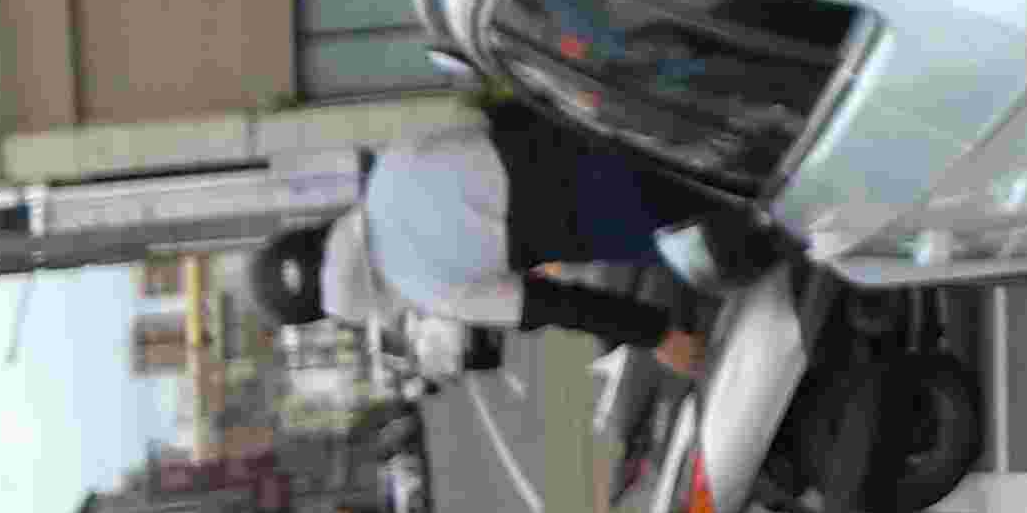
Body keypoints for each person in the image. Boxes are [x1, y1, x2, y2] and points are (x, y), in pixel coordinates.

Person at [254, 100, 733, 378]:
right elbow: (486, 112)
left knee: (745, 233)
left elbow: (552, 304)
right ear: (317, 231)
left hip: (641, 226)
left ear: (328, 310)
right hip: (614, 129)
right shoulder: (393, 165)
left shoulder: (425, 289)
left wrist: (657, 334)